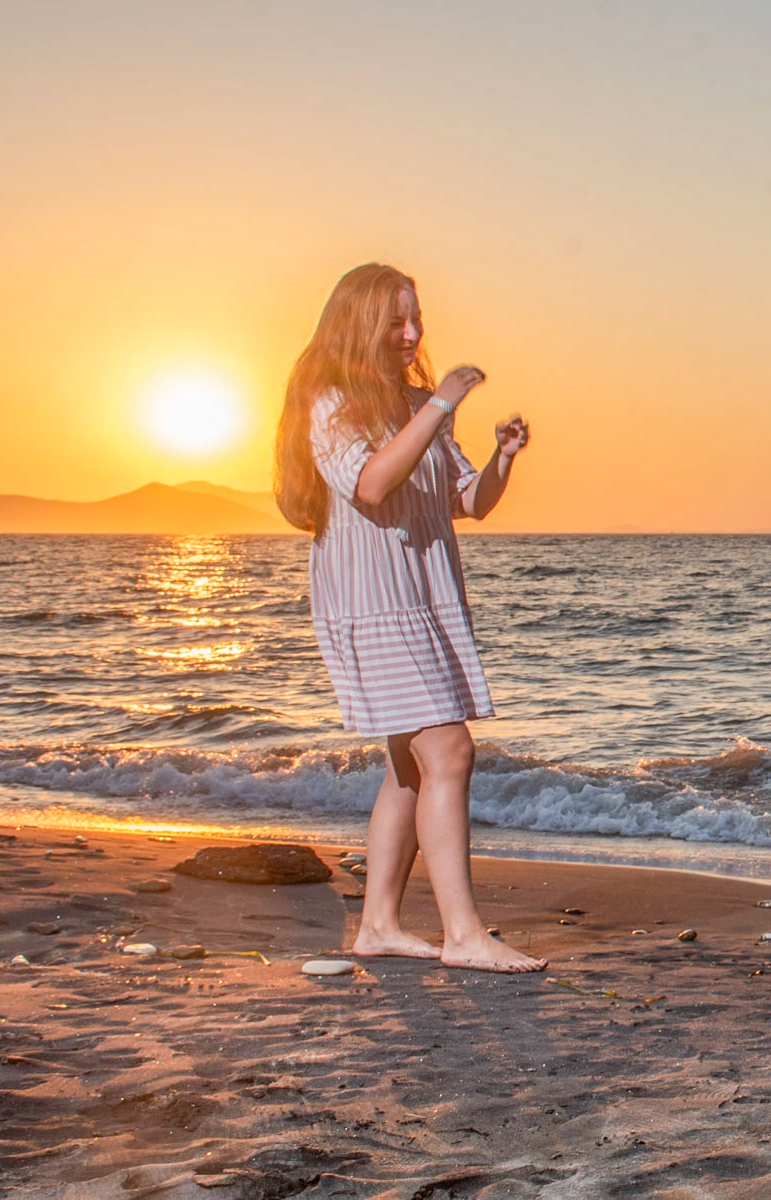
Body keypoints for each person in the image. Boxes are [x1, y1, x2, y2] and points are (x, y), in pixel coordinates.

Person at [274, 262, 544, 973]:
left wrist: (502, 458)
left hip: (422, 599)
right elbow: (370, 484)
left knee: (411, 770)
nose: (412, 333)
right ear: (361, 323)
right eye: (396, 320)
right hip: (374, 603)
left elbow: (467, 501)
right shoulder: (332, 403)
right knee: (449, 752)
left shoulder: (418, 405)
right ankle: (463, 934)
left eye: (416, 319)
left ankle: (378, 926)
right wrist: (441, 404)